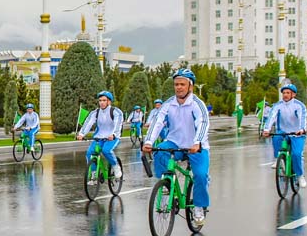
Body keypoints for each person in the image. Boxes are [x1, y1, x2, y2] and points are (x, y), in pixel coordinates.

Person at [142, 69, 211, 226]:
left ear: (190, 86)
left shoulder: (197, 105)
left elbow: (203, 124)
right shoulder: (168, 104)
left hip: (196, 146)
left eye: (182, 84)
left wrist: (197, 142)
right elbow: (157, 122)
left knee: (200, 175)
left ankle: (199, 208)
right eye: (176, 84)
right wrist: (148, 142)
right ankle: (167, 183)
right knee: (160, 152)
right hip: (175, 142)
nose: (179, 87)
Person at [262, 83, 307, 188]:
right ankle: (278, 159)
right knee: (276, 137)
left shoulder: (299, 105)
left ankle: (300, 176)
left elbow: (303, 118)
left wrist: (301, 130)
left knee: (296, 154)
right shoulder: (278, 105)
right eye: (283, 93)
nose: (285, 95)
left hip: (297, 133)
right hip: (283, 131)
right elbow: (271, 117)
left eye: (288, 93)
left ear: (293, 94)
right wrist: (266, 129)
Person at [77, 91, 125, 184]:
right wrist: (81, 134)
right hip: (99, 137)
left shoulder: (116, 112)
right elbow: (88, 123)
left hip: (112, 137)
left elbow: (118, 124)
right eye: (100, 100)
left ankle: (116, 167)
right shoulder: (95, 112)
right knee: (90, 153)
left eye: (104, 100)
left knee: (106, 150)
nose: (101, 102)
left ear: (109, 102)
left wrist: (114, 134)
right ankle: (94, 175)